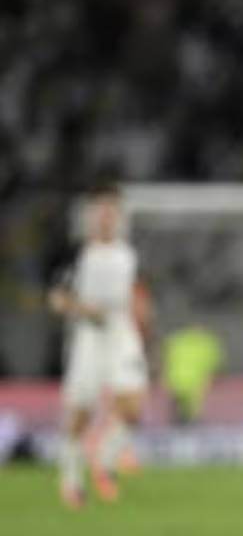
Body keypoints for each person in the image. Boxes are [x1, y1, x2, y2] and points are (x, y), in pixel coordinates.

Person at [48, 184, 148, 508]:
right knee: (81, 413)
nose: (106, 218)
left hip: (120, 331)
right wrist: (83, 308)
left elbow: (137, 294)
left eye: (111, 213)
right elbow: (57, 299)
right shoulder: (76, 254)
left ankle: (105, 460)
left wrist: (143, 322)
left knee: (132, 408)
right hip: (88, 336)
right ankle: (71, 481)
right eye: (101, 212)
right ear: (90, 217)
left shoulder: (128, 254)